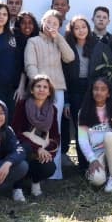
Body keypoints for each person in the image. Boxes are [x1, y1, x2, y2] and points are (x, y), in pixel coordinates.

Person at [22, 10, 76, 154]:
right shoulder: (33, 41)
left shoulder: (59, 41)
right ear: (42, 22)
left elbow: (70, 57)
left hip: (57, 89)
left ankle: (55, 170)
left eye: (55, 23)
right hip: (39, 91)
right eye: (48, 22)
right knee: (38, 126)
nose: (51, 25)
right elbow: (30, 65)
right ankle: (39, 162)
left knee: (55, 127)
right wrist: (39, 85)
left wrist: (57, 37)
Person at [11, 74, 60, 199]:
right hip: (24, 147)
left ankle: (35, 183)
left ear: (49, 92)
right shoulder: (22, 105)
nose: (41, 89)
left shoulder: (53, 109)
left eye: (45, 87)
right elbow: (15, 133)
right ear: (32, 90)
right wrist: (36, 148)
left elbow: (55, 136)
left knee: (49, 167)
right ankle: (17, 187)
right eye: (38, 86)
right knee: (25, 150)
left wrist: (47, 153)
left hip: (43, 148)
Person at [64, 15, 101, 166]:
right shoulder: (67, 46)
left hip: (93, 88)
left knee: (94, 125)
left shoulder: (97, 45)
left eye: (83, 27)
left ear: (88, 28)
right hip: (74, 89)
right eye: (77, 28)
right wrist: (66, 101)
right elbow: (63, 76)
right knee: (81, 126)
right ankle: (83, 164)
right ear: (72, 30)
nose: (81, 30)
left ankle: (98, 160)